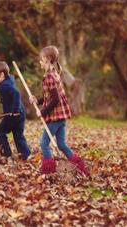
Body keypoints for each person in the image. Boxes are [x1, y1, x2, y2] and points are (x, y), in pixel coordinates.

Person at [29, 46, 89, 176]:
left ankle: (49, 171)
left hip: (55, 117)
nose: (40, 62)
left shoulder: (50, 77)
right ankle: (80, 167)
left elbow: (55, 100)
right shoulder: (55, 73)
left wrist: (43, 111)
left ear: (48, 59)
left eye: (41, 60)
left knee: (44, 144)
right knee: (61, 144)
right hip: (61, 117)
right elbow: (49, 96)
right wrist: (37, 101)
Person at [0, 61, 31, 160]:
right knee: (18, 135)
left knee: (0, 132)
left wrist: (14, 110)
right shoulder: (8, 82)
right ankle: (25, 154)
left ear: (2, 75)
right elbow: (8, 88)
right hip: (20, 114)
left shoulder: (5, 85)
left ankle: (6, 154)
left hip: (12, 114)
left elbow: (16, 93)